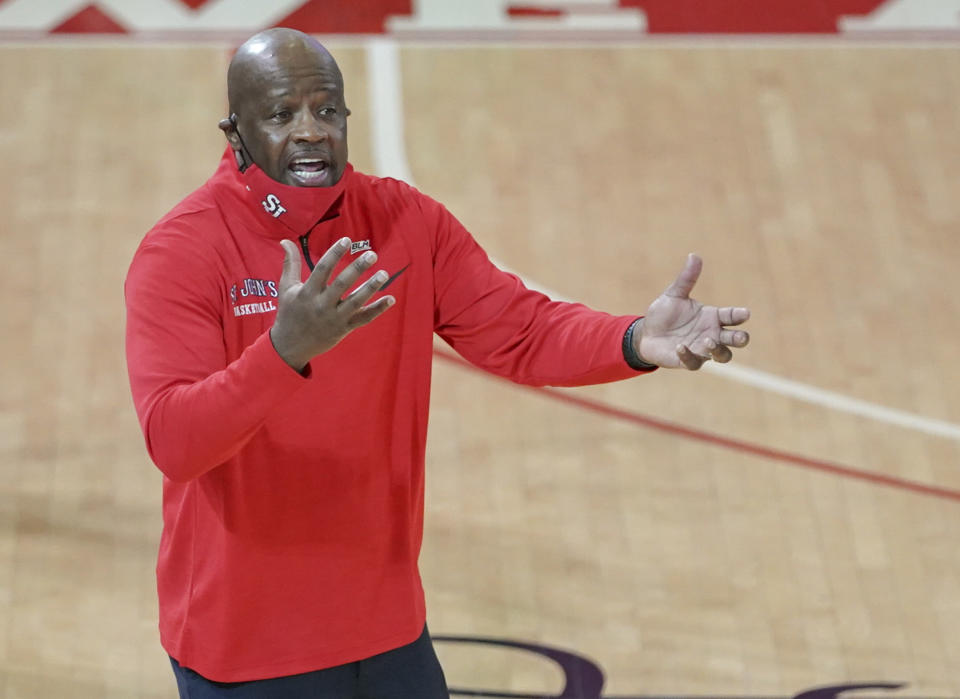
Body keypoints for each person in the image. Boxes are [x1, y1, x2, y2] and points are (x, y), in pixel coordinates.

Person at [124, 27, 750, 699]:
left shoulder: (403, 220)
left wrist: (632, 339)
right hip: (248, 650)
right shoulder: (182, 252)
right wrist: (284, 351)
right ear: (235, 130)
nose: (310, 131)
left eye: (326, 110)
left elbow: (521, 329)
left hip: (387, 630)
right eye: (281, 113)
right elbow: (176, 441)